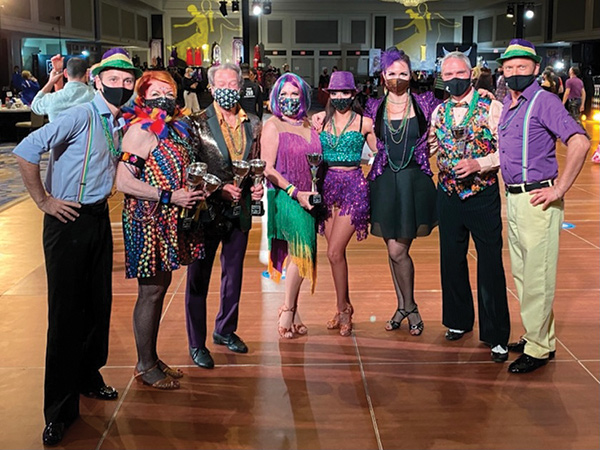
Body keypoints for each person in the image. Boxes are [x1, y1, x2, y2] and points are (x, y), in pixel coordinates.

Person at [13, 47, 141, 446]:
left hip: (98, 216)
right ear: (97, 80)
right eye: (115, 80)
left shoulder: (114, 121)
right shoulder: (81, 113)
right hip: (67, 220)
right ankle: (59, 410)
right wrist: (45, 201)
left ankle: (89, 377)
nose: (122, 87)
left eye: (128, 81)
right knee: (66, 315)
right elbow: (26, 150)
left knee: (97, 304)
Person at [496, 39, 590, 373]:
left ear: (535, 68)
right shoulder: (512, 104)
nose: (514, 73)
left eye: (521, 67)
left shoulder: (544, 101)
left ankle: (537, 349)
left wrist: (559, 188)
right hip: (516, 198)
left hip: (538, 198)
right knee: (523, 273)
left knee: (537, 275)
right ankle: (540, 335)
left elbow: (579, 142)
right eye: (509, 68)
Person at [116, 70, 205, 389]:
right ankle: (143, 364)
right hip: (147, 218)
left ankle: (151, 357)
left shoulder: (173, 128)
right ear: (142, 97)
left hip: (170, 219)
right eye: (156, 92)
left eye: (170, 91)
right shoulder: (141, 129)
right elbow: (123, 181)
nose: (165, 97)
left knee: (160, 287)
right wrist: (170, 195)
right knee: (150, 292)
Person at [428, 51, 511, 362]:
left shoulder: (493, 107)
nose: (453, 80)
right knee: (451, 259)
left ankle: (496, 335)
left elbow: (507, 150)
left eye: (459, 73)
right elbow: (432, 147)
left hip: (482, 194)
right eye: (447, 75)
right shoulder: (439, 112)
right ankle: (458, 321)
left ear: (471, 74)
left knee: (489, 263)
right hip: (448, 195)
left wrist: (481, 163)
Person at [185, 63, 263, 368]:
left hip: (239, 210)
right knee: (198, 279)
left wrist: (256, 188)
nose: (229, 89)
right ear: (212, 88)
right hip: (206, 210)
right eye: (223, 85)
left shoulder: (253, 122)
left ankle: (225, 329)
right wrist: (218, 191)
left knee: (234, 275)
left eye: (234, 83)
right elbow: (190, 168)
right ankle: (196, 342)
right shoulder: (196, 123)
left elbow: (254, 161)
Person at [364, 47, 438, 337]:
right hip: (384, 183)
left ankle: (411, 306)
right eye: (392, 73)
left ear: (412, 75)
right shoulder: (373, 108)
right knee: (391, 249)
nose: (397, 78)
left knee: (399, 250)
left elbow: (443, 127)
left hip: (413, 183)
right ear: (383, 76)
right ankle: (402, 307)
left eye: (403, 73)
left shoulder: (426, 104)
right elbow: (359, 133)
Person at [312, 71, 376, 336]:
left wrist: (367, 181)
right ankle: (344, 306)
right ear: (329, 94)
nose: (340, 97)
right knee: (336, 255)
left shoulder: (365, 122)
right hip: (327, 187)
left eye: (345, 92)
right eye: (335, 93)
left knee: (334, 252)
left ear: (354, 94)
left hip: (353, 187)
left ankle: (343, 309)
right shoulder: (319, 122)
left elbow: (380, 156)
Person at [262, 73, 321, 338]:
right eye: (283, 94)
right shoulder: (272, 125)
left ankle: (294, 310)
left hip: (310, 197)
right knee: (301, 250)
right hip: (286, 195)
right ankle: (287, 309)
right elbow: (267, 167)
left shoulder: (311, 125)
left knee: (302, 252)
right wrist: (294, 191)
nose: (288, 99)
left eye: (294, 94)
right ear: (276, 97)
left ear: (303, 96)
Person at [31, 56, 95, 121]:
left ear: (65, 73)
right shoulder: (94, 96)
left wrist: (51, 82)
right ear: (87, 73)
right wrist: (90, 82)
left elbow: (35, 105)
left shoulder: (52, 99)